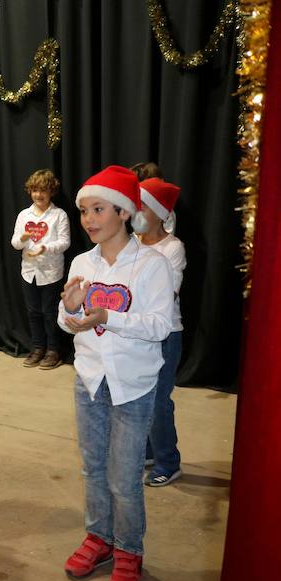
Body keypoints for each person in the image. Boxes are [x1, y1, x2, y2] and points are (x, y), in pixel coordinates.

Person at [58, 166, 173, 581]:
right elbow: (69, 323)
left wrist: (109, 316)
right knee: (93, 468)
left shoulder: (151, 264)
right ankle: (99, 538)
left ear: (124, 212)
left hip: (132, 386)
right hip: (89, 381)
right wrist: (70, 310)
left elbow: (160, 325)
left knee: (124, 477)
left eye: (98, 209)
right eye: (84, 210)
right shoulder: (81, 262)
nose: (89, 219)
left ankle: (128, 549)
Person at [138, 177, 186, 487]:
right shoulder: (129, 241)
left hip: (166, 335)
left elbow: (166, 294)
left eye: (142, 205)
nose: (136, 211)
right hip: (136, 333)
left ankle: (169, 462)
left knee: (158, 400)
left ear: (158, 212)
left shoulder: (173, 247)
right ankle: (148, 450)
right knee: (140, 395)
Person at [10, 169, 71, 369]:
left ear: (51, 192)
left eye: (43, 190)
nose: (38, 195)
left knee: (49, 312)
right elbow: (15, 244)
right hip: (29, 272)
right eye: (35, 190)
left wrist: (46, 247)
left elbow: (65, 242)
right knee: (33, 312)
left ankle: (53, 350)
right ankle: (38, 347)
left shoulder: (58, 215)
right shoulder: (23, 215)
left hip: (51, 272)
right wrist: (23, 238)